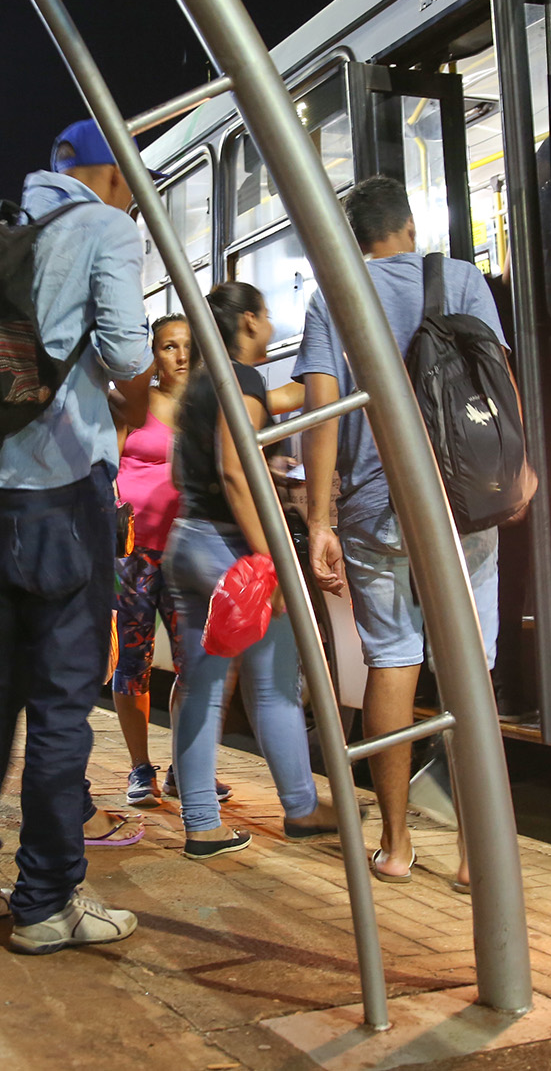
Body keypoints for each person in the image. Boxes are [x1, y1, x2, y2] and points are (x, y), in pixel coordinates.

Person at [0, 119, 150, 956]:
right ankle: (48, 901)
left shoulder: (5, 227)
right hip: (64, 495)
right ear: (110, 176)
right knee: (60, 709)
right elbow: (129, 355)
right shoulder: (103, 227)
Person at [297, 176, 503, 890]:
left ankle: (396, 843)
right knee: (469, 668)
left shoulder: (332, 296)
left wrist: (319, 517)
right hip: (462, 506)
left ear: (352, 240)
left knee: (392, 660)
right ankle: (480, 857)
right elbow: (495, 382)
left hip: (373, 508)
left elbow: (321, 413)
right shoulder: (461, 279)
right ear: (409, 227)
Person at [164, 283, 342, 860]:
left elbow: (287, 398)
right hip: (230, 549)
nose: (271, 327)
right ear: (247, 321)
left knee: (202, 688)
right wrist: (274, 561)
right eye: (265, 317)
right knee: (273, 687)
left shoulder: (206, 381)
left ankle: (201, 822)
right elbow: (237, 472)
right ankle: (301, 807)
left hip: (188, 540)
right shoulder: (238, 381)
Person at [108, 315, 190, 809]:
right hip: (135, 555)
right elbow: (106, 470)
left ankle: (188, 766)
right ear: (153, 356)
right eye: (168, 346)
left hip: (186, 553)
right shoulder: (135, 406)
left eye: (186, 346)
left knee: (194, 663)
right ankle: (141, 770)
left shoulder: (208, 408)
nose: (180, 355)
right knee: (134, 663)